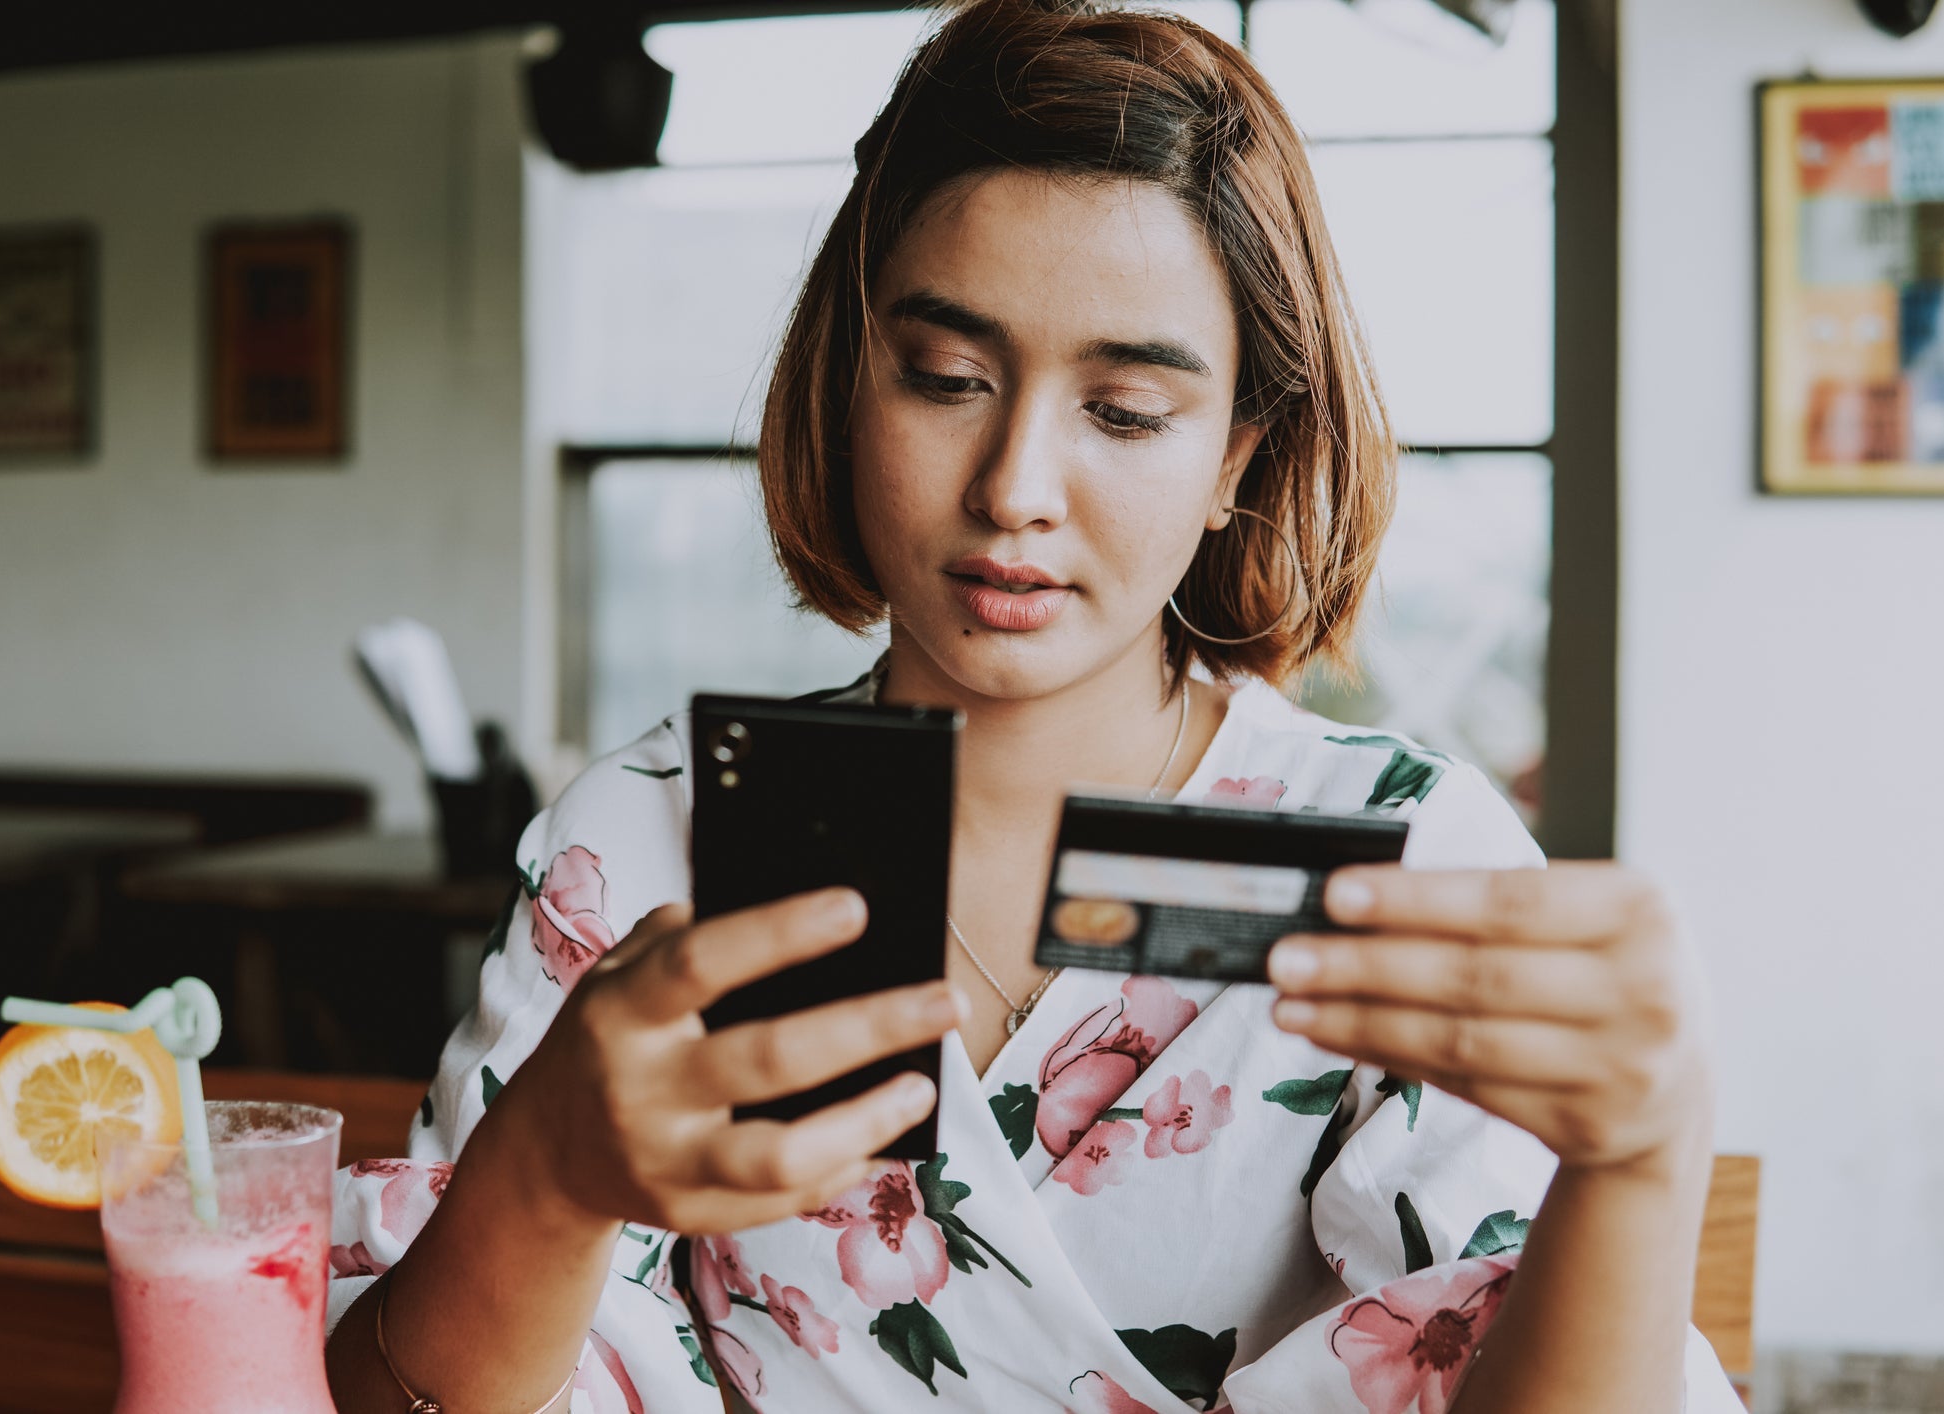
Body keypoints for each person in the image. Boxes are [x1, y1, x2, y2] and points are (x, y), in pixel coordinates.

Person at [324, 2, 1740, 1410]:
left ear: (1238, 450)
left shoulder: (1398, 858)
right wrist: (543, 1178)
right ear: (846, 372)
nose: (1012, 486)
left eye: (1124, 412)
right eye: (944, 378)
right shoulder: (642, 842)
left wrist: (1644, 1155)